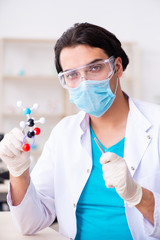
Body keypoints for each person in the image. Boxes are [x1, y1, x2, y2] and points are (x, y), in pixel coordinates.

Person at [0, 22, 160, 240]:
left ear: (118, 67)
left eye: (95, 68)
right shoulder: (63, 134)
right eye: (72, 75)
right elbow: (30, 223)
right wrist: (18, 172)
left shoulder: (156, 124)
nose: (84, 83)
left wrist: (138, 195)